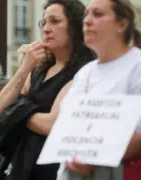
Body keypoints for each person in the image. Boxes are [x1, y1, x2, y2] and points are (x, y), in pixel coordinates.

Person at [0, 0, 95, 179]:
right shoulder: (40, 70)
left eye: (54, 21)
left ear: (74, 26)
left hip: (54, 169)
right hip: (22, 166)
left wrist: (16, 110)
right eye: (44, 22)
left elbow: (52, 124)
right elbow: (0, 109)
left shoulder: (84, 71)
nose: (46, 28)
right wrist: (25, 67)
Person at [55, 0, 141, 180]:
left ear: (122, 24)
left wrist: (95, 157)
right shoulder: (85, 72)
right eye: (86, 14)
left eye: (98, 14)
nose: (87, 21)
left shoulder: (137, 66)